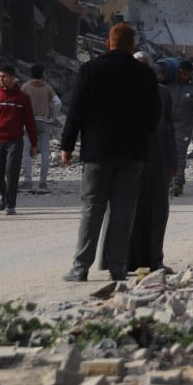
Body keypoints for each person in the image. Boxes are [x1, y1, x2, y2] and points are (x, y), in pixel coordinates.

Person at [58, 23, 161, 281]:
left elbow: (76, 111)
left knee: (92, 207)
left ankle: (81, 268)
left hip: (97, 151)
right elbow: (154, 114)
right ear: (132, 44)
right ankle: (118, 267)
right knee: (123, 209)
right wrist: (139, 136)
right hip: (133, 152)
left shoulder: (90, 70)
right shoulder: (144, 74)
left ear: (108, 43)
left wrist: (67, 145)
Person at [128, 59, 176, 274]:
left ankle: (156, 259)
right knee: (132, 211)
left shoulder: (163, 93)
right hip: (131, 160)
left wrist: (173, 161)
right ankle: (130, 260)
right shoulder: (124, 92)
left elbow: (170, 128)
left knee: (158, 210)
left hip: (159, 160)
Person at [0, 65, 37, 215]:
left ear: (13, 78)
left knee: (12, 173)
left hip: (15, 141)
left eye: (4, 77)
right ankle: (3, 194)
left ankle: (11, 205)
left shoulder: (23, 98)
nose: (1, 79)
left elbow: (30, 122)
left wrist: (34, 144)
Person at [163, 59, 193, 195]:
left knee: (179, 154)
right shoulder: (168, 85)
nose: (182, 76)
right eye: (180, 73)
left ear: (190, 75)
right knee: (164, 154)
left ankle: (177, 183)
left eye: (185, 74)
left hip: (183, 126)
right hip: (165, 124)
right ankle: (164, 182)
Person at [21, 63, 59, 194]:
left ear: (31, 74)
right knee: (44, 152)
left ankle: (27, 181)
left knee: (26, 151)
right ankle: (42, 182)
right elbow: (57, 103)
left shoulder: (25, 87)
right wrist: (52, 116)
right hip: (44, 122)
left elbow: (19, 103)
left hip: (28, 123)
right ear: (42, 74)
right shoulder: (48, 88)